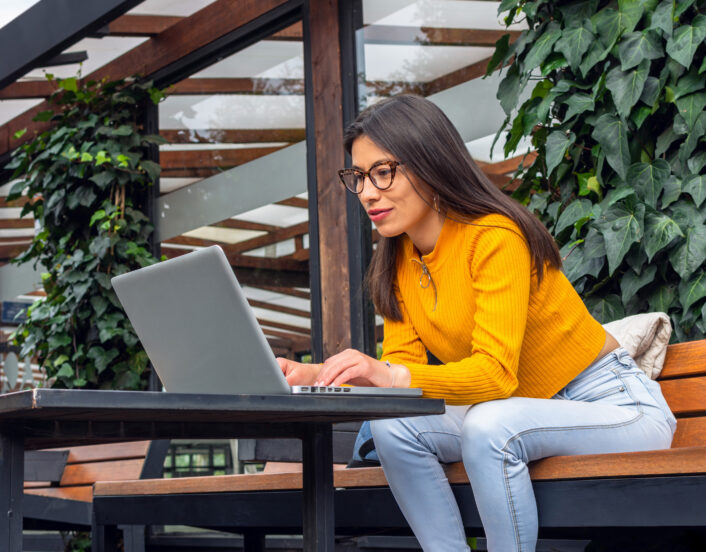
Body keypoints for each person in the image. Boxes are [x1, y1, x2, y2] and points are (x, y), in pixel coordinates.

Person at [276, 95, 677, 552]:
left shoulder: (494, 237)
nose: (368, 191)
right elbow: (398, 379)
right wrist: (317, 379)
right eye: (359, 177)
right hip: (517, 413)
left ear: (430, 162)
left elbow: (494, 374)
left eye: (383, 172)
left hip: (615, 409)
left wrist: (389, 375)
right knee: (393, 426)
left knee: (490, 423)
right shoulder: (398, 263)